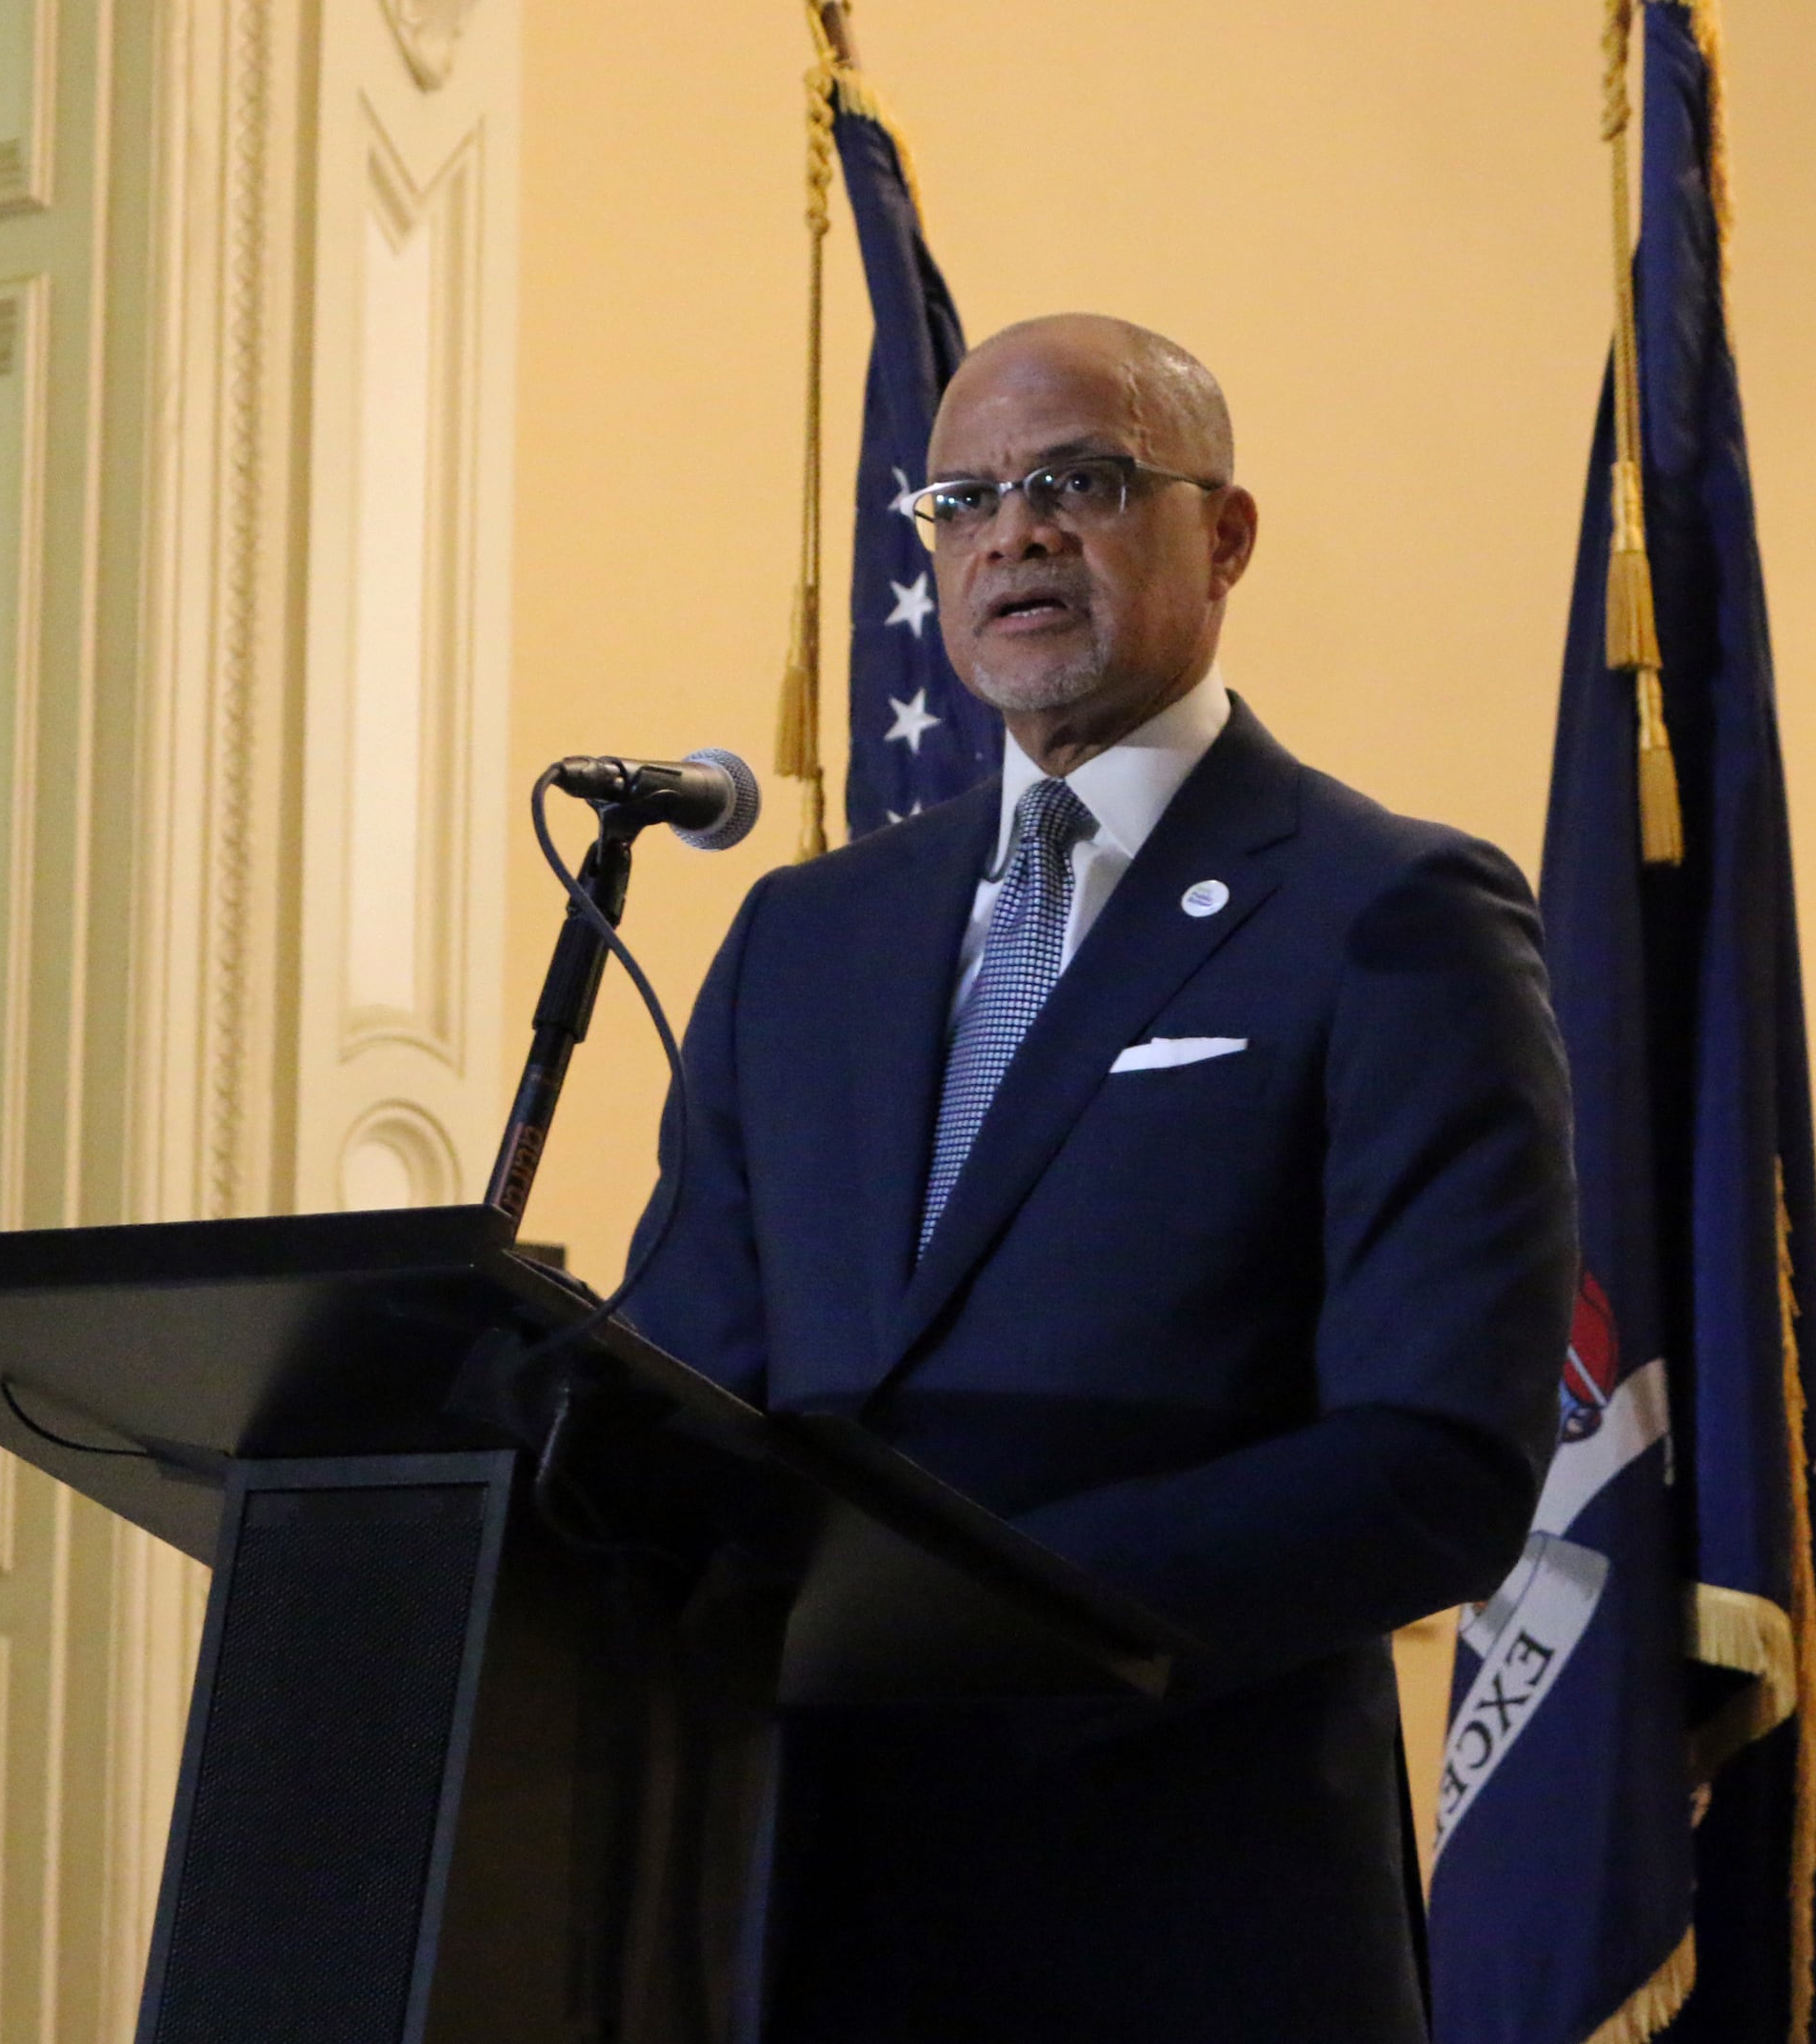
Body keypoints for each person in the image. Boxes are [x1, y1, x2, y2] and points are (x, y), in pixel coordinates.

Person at [628, 311, 1577, 2042]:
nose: (1015, 534)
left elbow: (1433, 1459)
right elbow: (687, 1372)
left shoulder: (1392, 915)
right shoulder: (803, 938)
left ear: (1224, 536)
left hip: (1190, 1910)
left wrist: (969, 1623)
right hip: (797, 1905)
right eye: (967, 498)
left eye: (1080, 481)